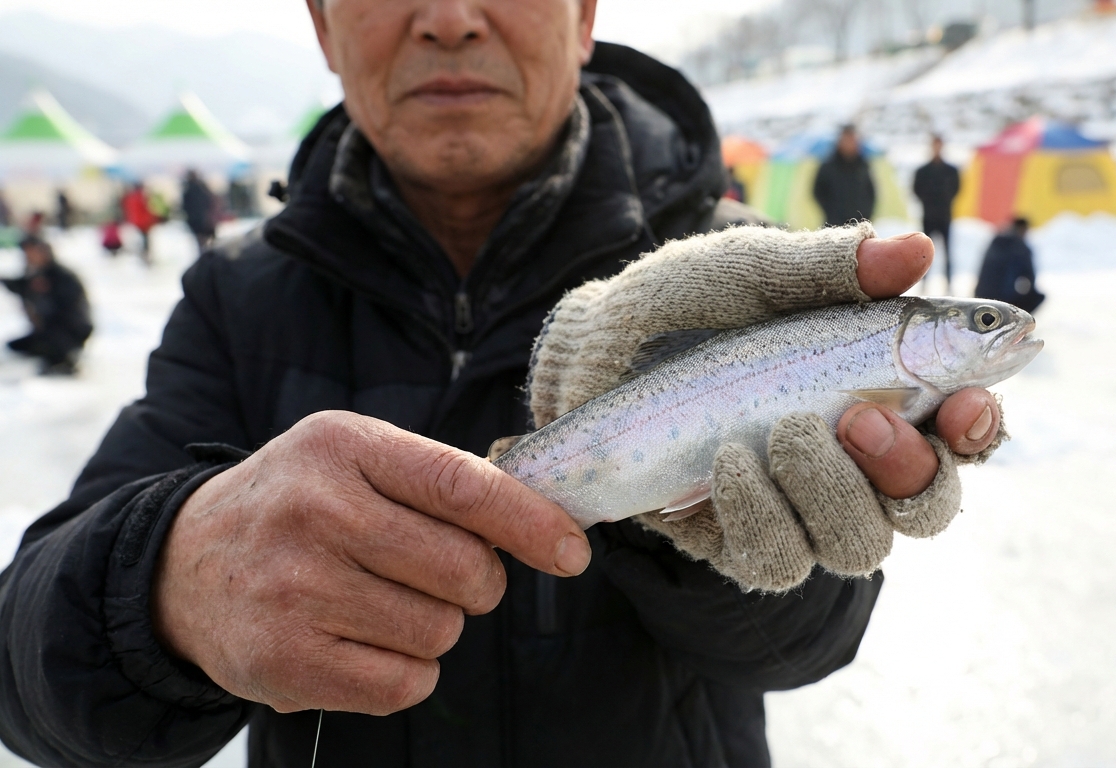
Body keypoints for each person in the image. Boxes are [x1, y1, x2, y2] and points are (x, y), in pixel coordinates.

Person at [0, 2, 1007, 766]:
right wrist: (168, 583)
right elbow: (22, 670)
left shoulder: (741, 278)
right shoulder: (233, 294)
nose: (448, 19)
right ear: (320, 25)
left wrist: (700, 525)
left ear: (584, 17)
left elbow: (801, 649)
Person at [2, 236, 92, 376]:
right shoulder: (37, 273)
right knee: (16, 346)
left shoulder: (61, 276)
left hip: (68, 331)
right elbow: (19, 285)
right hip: (47, 330)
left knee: (52, 349)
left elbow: (70, 309)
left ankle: (64, 359)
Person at [912, 133, 961, 293]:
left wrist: (945, 199)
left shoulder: (950, 170)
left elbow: (957, 188)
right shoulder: (923, 171)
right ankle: (923, 283)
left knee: (947, 251)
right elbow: (916, 189)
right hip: (929, 215)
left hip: (945, 215)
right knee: (925, 252)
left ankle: (949, 285)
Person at [975, 217, 1045, 313]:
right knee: (1037, 297)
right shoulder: (1021, 247)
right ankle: (1018, 320)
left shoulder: (996, 241)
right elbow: (1030, 277)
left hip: (980, 296)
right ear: (1023, 229)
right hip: (1005, 299)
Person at [813, 124, 876, 226]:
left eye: (853, 140)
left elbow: (871, 192)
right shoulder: (828, 166)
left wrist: (866, 215)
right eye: (847, 140)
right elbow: (818, 192)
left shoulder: (863, 165)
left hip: (859, 224)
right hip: (834, 225)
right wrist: (831, 211)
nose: (850, 143)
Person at [181, 169, 219, 250]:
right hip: (205, 220)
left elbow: (185, 207)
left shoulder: (188, 190)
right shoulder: (202, 188)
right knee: (211, 242)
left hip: (198, 221)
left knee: (201, 242)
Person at [121, 182, 159, 261]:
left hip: (136, 222)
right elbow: (148, 209)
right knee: (145, 241)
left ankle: (142, 255)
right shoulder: (142, 197)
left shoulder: (130, 198)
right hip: (144, 222)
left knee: (141, 240)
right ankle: (145, 255)